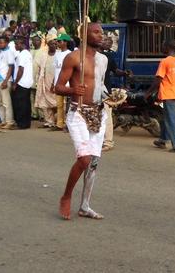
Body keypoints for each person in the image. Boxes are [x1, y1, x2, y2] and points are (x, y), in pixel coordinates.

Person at [56, 23, 109, 221]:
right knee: (84, 159)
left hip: (98, 113)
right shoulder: (73, 57)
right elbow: (58, 87)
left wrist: (111, 97)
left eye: (101, 32)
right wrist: (72, 90)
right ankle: (67, 195)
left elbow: (101, 85)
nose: (101, 35)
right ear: (84, 35)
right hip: (78, 113)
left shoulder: (103, 59)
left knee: (93, 163)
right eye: (96, 32)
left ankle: (85, 206)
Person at [146, 42, 175, 153]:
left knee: (171, 119)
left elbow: (158, 79)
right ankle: (162, 140)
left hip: (168, 94)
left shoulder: (165, 61)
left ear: (168, 48)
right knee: (166, 117)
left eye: (163, 46)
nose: (161, 48)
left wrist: (148, 93)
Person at [35, 34, 58, 128]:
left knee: (56, 102)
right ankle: (49, 121)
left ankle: (59, 121)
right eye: (51, 43)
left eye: (55, 43)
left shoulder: (59, 55)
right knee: (45, 102)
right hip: (45, 81)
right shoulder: (44, 55)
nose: (54, 45)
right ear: (48, 44)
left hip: (55, 81)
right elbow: (40, 68)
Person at [11, 37, 34, 129]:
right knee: (26, 103)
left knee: (20, 104)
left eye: (17, 44)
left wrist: (15, 82)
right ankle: (26, 123)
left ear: (22, 44)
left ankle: (21, 124)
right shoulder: (27, 53)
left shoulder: (22, 55)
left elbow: (21, 69)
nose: (16, 46)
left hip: (21, 82)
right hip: (27, 82)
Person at [0, 36, 16, 130]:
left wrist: (6, 81)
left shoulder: (9, 52)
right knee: (0, 102)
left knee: (6, 102)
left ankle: (9, 121)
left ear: (7, 43)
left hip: (4, 80)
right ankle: (3, 121)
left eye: (1, 42)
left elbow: (11, 68)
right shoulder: (1, 52)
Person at [53, 34, 73, 131]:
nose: (58, 43)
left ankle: (68, 125)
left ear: (65, 42)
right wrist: (54, 83)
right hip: (58, 84)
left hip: (68, 84)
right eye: (58, 41)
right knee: (59, 105)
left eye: (59, 41)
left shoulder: (70, 54)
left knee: (69, 106)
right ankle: (59, 124)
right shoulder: (57, 54)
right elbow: (55, 70)